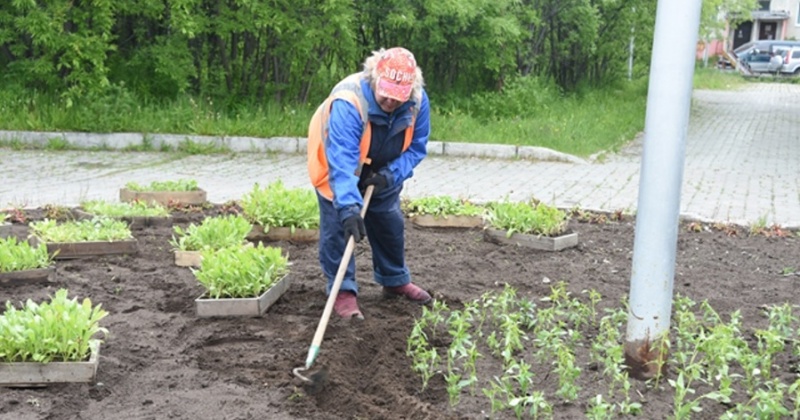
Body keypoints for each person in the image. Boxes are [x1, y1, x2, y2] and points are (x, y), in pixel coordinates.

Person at [307, 47, 432, 320]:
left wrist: (390, 175)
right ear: (374, 78)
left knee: (389, 223)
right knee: (339, 229)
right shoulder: (349, 102)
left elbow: (416, 149)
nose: (389, 101)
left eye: (397, 97)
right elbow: (341, 162)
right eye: (384, 92)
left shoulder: (417, 102)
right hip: (336, 165)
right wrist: (350, 209)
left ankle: (394, 279)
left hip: (382, 169)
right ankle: (342, 291)